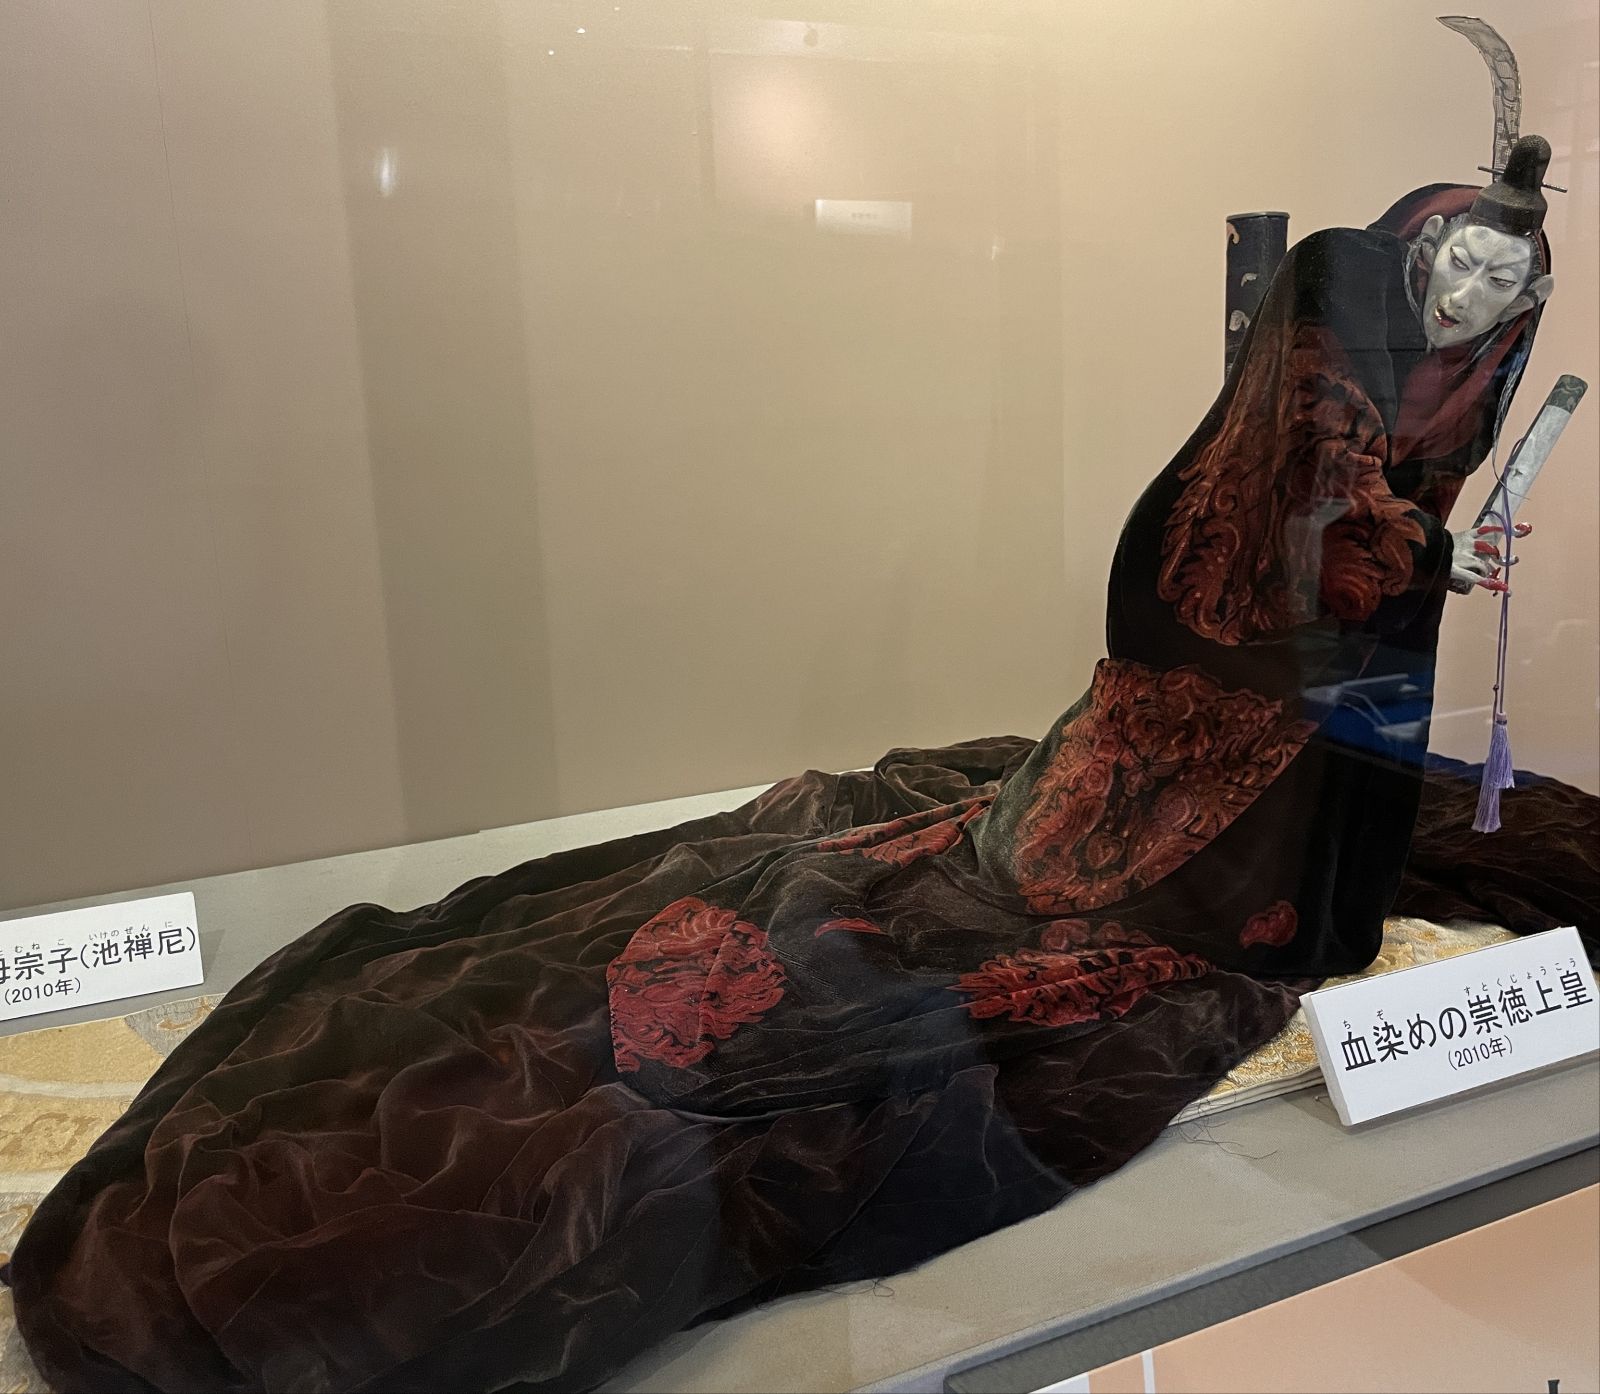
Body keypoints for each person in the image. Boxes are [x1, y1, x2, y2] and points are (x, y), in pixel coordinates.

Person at [8, 144, 1574, 1394]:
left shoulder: (1438, 388)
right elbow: (1282, 527)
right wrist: (1393, 551)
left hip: (1292, 741)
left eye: (1505, 286)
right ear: (1412, 251)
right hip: (1188, 761)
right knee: (847, 984)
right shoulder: (1324, 341)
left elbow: (1369, 553)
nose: (1471, 299)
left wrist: (1420, 559)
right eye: (1463, 265)